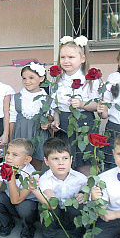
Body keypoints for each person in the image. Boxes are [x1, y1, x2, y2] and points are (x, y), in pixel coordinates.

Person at [50, 36, 99, 175]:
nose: (66, 61)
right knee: (63, 161)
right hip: (64, 124)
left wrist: (83, 104)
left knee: (83, 160)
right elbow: (54, 103)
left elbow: (97, 104)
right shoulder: (57, 78)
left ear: (82, 58)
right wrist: (56, 118)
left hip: (83, 121)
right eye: (63, 57)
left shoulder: (89, 79)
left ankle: (84, 193)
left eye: (71, 57)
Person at [30, 138, 88, 238]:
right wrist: (34, 190)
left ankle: (77, 236)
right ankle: (49, 233)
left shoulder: (80, 178)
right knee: (47, 207)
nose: (61, 163)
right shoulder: (45, 179)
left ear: (71, 160)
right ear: (46, 161)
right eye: (55, 159)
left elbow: (88, 193)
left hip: (71, 216)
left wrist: (84, 195)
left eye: (65, 158)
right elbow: (52, 202)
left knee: (78, 206)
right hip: (55, 213)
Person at [0, 138, 39, 238]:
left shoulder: (30, 174)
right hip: (11, 199)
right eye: (8, 153)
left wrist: (10, 176)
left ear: (27, 160)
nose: (9, 157)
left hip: (26, 203)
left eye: (15, 155)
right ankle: (8, 222)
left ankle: (28, 227)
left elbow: (16, 200)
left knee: (25, 207)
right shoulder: (3, 166)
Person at [83, 134, 120, 238]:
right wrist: (96, 200)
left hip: (115, 214)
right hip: (111, 217)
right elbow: (102, 209)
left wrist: (116, 214)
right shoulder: (105, 178)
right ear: (114, 153)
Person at [10, 62, 51, 171]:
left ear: (41, 78)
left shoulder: (47, 99)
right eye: (24, 78)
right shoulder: (17, 97)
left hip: (39, 135)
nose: (27, 81)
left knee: (36, 164)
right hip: (20, 134)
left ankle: (33, 184)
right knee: (18, 163)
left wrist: (48, 124)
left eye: (31, 78)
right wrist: (10, 139)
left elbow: (51, 119)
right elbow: (12, 119)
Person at [97, 50, 120, 170]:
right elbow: (105, 114)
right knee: (112, 165)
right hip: (115, 127)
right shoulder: (114, 78)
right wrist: (102, 110)